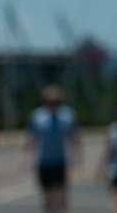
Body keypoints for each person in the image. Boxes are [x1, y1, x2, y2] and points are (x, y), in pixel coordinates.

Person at [28, 85, 80, 213]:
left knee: (60, 197)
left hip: (60, 161)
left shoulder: (68, 116)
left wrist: (77, 157)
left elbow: (75, 137)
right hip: (44, 162)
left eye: (56, 102)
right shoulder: (37, 116)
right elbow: (32, 138)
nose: (53, 105)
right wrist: (28, 159)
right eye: (50, 102)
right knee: (47, 197)